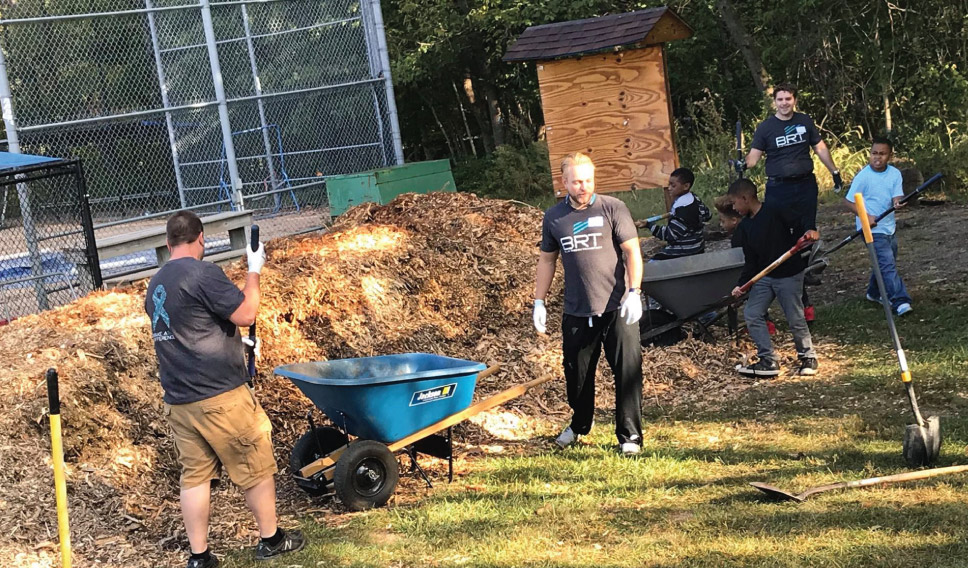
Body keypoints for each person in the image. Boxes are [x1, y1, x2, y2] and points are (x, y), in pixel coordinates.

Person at [145, 211, 305, 568]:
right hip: (220, 397)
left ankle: (199, 557)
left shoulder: (155, 284)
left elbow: (189, 330)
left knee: (195, 476)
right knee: (256, 465)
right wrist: (254, 268)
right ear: (201, 238)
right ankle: (271, 540)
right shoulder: (203, 273)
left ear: (168, 243)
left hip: (180, 401)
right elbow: (246, 313)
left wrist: (237, 346)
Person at [532, 152, 645, 455]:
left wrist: (634, 291)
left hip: (617, 306)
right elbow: (546, 260)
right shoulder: (554, 217)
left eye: (589, 180)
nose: (584, 186)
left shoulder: (612, 208)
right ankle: (580, 424)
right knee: (577, 375)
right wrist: (539, 301)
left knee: (627, 371)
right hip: (577, 310)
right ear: (564, 182)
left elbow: (632, 251)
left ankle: (630, 435)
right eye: (577, 181)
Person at [740, 83, 842, 324]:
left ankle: (804, 300)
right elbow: (753, 159)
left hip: (805, 186)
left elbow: (819, 148)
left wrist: (835, 171)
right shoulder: (765, 128)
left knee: (806, 238)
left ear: (794, 100)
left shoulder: (805, 121)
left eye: (788, 99)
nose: (784, 103)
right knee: (781, 241)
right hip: (778, 189)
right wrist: (741, 164)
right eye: (780, 99)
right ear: (774, 102)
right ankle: (787, 303)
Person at [728, 179, 820, 377]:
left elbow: (800, 220)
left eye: (735, 203)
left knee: (795, 316)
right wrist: (741, 285)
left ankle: (807, 356)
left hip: (788, 274)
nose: (734, 208)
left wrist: (808, 231)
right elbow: (751, 262)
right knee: (752, 313)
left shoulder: (775, 210)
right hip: (764, 277)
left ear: (745, 198)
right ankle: (768, 359)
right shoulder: (745, 228)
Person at [845, 137, 913, 316]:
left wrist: (898, 202)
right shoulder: (864, 176)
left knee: (884, 263)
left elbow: (896, 196)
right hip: (870, 229)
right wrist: (865, 216)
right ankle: (900, 301)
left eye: (882, 154)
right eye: (874, 153)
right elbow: (849, 201)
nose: (877, 157)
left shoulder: (894, 174)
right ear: (870, 154)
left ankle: (874, 293)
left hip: (889, 226)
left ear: (890, 156)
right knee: (887, 264)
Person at [644, 168, 712, 260]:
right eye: (669, 185)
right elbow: (708, 215)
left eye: (673, 186)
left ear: (686, 186)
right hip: (698, 247)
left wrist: (649, 225)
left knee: (653, 264)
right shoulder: (695, 199)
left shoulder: (682, 211)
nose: (669, 188)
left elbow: (669, 235)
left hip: (684, 251)